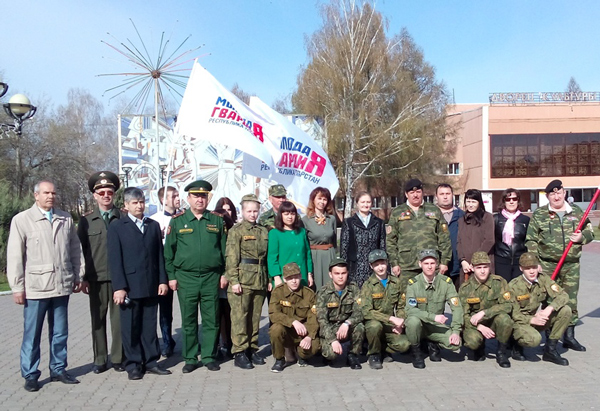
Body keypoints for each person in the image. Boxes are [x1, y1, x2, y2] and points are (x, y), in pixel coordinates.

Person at [7, 180, 84, 392]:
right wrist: (17, 287)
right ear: (36, 195)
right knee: (32, 334)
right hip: (36, 288)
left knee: (60, 332)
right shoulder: (22, 220)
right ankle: (30, 374)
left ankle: (58, 369)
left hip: (61, 285)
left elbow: (75, 249)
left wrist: (78, 274)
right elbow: (15, 256)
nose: (50, 196)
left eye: (53, 193)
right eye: (46, 193)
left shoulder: (65, 218)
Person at [164, 180, 227, 373]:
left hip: (211, 277)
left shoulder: (216, 220)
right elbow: (169, 252)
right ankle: (190, 358)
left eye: (203, 196)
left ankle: (209, 356)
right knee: (189, 320)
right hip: (186, 278)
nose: (200, 200)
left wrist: (224, 274)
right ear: (188, 198)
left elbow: (225, 250)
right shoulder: (177, 221)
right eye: (196, 196)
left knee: (211, 320)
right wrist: (171, 276)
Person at [108, 187, 171, 380]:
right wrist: (119, 287)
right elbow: (115, 260)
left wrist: (162, 280)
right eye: (134, 203)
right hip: (129, 286)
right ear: (126, 205)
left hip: (150, 283)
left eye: (141, 202)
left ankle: (151, 361)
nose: (139, 206)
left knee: (149, 325)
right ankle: (133, 364)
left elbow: (159, 255)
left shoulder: (152, 225)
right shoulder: (117, 227)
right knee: (131, 326)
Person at [525, 179, 594, 352]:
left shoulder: (576, 211)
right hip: (547, 265)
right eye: (552, 194)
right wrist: (535, 263)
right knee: (550, 301)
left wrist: (582, 237)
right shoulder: (540, 214)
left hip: (571, 265)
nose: (556, 197)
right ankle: (551, 340)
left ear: (564, 193)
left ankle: (569, 336)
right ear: (547, 196)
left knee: (571, 300)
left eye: (559, 193)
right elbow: (531, 239)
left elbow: (590, 231)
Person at [77, 171, 125, 373]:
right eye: (102, 192)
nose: (106, 196)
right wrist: (83, 277)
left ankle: (118, 358)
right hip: (96, 278)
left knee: (118, 321)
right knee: (98, 320)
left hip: (119, 279)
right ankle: (100, 359)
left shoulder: (123, 217)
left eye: (110, 192)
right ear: (95, 195)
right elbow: (81, 250)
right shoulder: (86, 221)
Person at [225, 194, 269, 370]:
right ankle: (239, 351)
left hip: (260, 278)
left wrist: (268, 279)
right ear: (242, 211)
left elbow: (266, 257)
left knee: (254, 317)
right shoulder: (236, 231)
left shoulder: (263, 231)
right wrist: (234, 280)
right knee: (240, 317)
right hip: (243, 279)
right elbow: (231, 257)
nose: (252, 214)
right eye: (249, 211)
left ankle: (252, 348)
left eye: (255, 211)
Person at [387, 179, 451, 294]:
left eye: (418, 192)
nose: (415, 195)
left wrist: (444, 261)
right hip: (406, 266)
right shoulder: (397, 212)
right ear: (406, 194)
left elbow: (444, 238)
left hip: (431, 264)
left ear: (422, 192)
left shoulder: (434, 210)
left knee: (432, 298)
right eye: (412, 192)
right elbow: (391, 241)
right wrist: (394, 263)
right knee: (408, 298)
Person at [508, 252, 572, 366]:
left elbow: (563, 295)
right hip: (519, 322)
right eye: (528, 268)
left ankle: (550, 350)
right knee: (535, 340)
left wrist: (549, 309)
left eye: (534, 267)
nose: (532, 271)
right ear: (521, 268)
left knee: (565, 310)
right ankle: (516, 345)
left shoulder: (543, 279)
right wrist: (531, 320)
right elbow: (512, 314)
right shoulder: (514, 285)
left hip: (536, 318)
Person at [405, 249, 463, 369]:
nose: (429, 267)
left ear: (437, 264)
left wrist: (456, 331)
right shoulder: (413, 284)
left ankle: (433, 343)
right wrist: (433, 317)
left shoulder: (446, 283)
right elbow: (410, 310)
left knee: (455, 345)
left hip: (435, 326)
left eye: (432, 263)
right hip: (420, 324)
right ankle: (416, 352)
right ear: (420, 264)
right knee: (412, 321)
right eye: (426, 263)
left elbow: (457, 308)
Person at [458, 251, 513, 368]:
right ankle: (479, 347)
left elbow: (507, 305)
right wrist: (479, 327)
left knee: (505, 319)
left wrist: (484, 313)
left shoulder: (499, 282)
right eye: (479, 268)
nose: (482, 271)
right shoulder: (465, 288)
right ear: (473, 268)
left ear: (490, 267)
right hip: (475, 324)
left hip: (492, 320)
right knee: (473, 342)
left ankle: (501, 352)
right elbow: (462, 315)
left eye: (485, 267)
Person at [360, 250, 410, 370]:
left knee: (405, 345)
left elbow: (401, 306)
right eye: (376, 265)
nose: (380, 267)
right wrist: (391, 318)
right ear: (371, 266)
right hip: (374, 323)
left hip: (389, 325)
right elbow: (367, 311)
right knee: (374, 326)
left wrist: (400, 322)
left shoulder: (396, 282)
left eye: (382, 263)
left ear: (387, 263)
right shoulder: (368, 285)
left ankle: (383, 349)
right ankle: (374, 354)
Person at [268, 263, 321, 373]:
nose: (294, 281)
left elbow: (314, 317)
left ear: (300, 276)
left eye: (296, 277)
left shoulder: (309, 294)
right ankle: (279, 359)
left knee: (315, 346)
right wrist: (293, 322)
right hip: (287, 332)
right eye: (290, 278)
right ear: (284, 279)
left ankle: (302, 355)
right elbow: (274, 314)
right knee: (275, 329)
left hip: (303, 333)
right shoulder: (278, 292)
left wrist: (309, 337)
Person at [149, 185, 181, 358]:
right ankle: (167, 341)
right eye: (173, 196)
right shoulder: (154, 220)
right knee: (165, 309)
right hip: (163, 270)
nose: (177, 198)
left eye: (178, 195)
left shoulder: (183, 217)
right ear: (163, 200)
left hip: (181, 269)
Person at [316, 257, 364, 370]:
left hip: (346, 326)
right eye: (337, 273)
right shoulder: (323, 292)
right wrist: (332, 340)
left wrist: (347, 323)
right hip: (330, 329)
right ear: (330, 274)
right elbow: (322, 320)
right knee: (331, 355)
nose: (340, 276)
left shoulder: (353, 289)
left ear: (347, 273)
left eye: (343, 273)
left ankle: (352, 355)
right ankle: (326, 354)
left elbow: (360, 312)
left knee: (360, 327)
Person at [340, 191, 386, 288]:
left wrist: (384, 266)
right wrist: (343, 269)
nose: (365, 205)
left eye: (368, 202)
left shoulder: (379, 223)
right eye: (363, 202)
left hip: (374, 267)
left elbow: (382, 246)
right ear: (357, 203)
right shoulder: (349, 222)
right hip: (355, 268)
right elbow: (344, 248)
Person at [267, 201, 314, 288]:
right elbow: (272, 258)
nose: (290, 217)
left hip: (302, 276)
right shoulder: (274, 233)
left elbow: (307, 254)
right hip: (285, 277)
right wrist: (276, 277)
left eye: (292, 214)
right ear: (280, 215)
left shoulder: (302, 232)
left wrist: (309, 274)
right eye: (286, 214)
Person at [302, 187, 338, 290]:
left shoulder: (332, 219)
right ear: (313, 200)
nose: (322, 202)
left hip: (330, 255)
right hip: (315, 257)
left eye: (325, 199)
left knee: (331, 286)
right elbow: (304, 244)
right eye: (319, 198)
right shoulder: (305, 220)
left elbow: (334, 241)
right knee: (317, 286)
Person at [457, 188, 495, 285]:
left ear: (479, 203)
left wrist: (476, 261)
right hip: (467, 267)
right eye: (468, 201)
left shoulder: (487, 217)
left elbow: (489, 240)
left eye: (473, 202)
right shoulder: (461, 220)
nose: (470, 205)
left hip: (482, 265)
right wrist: (463, 260)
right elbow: (459, 242)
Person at [494, 189, 530, 283]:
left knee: (518, 289)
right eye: (508, 199)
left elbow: (529, 241)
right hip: (501, 260)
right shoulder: (495, 219)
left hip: (519, 261)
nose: (511, 201)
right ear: (504, 201)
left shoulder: (525, 220)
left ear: (518, 201)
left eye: (514, 199)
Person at [435, 183, 464, 289]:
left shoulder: (462, 216)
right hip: (437, 268)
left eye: (448, 193)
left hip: (458, 267)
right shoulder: (430, 217)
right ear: (436, 197)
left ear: (452, 195)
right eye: (442, 194)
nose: (445, 197)